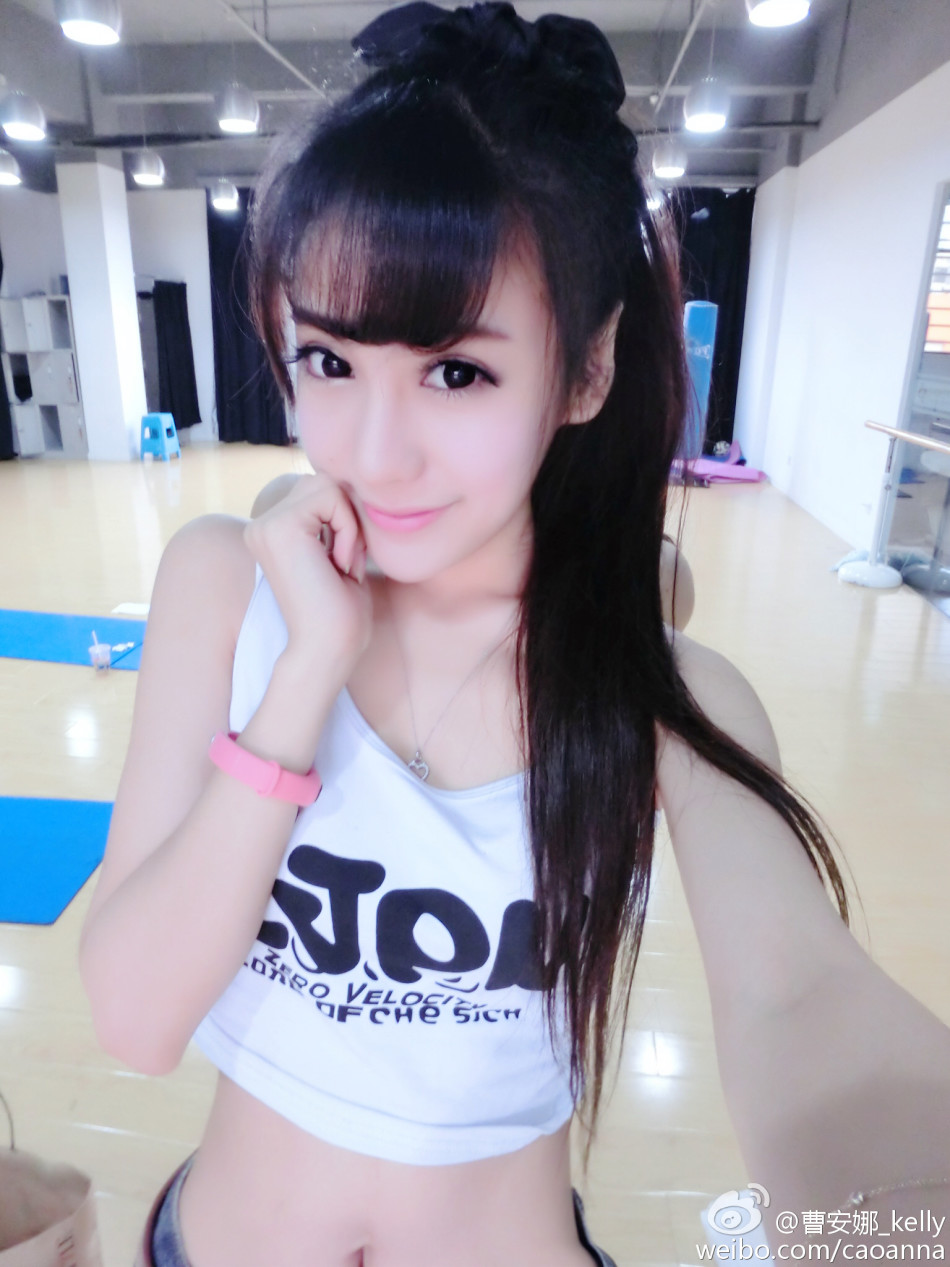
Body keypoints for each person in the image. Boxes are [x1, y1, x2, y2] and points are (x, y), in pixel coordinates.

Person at [78, 4, 950, 1266]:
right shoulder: (227, 592)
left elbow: (801, 998)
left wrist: (899, 1227)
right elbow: (134, 1021)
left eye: (455, 372)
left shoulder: (658, 697)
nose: (374, 453)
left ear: (585, 372)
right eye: (327, 360)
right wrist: (301, 683)